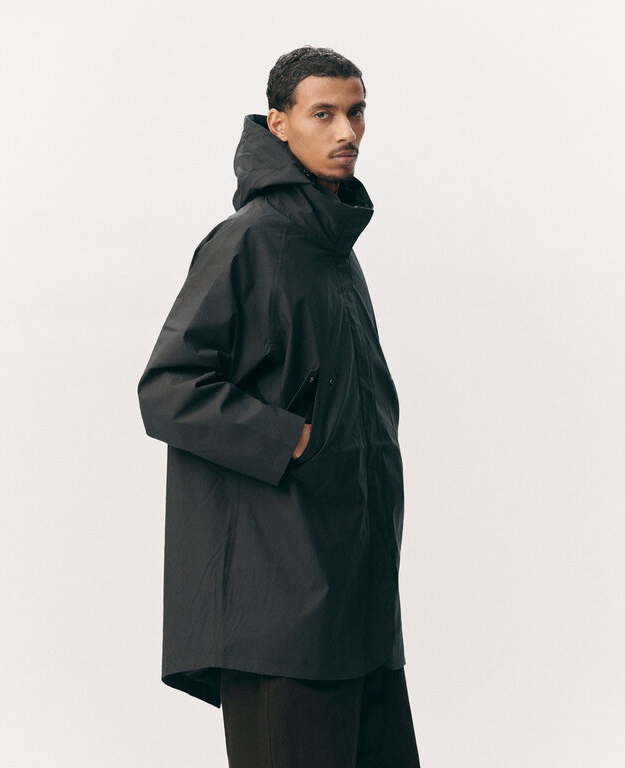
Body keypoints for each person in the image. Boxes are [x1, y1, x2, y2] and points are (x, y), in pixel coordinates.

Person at [138, 46, 421, 767]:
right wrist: (292, 440)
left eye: (356, 112)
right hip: (281, 609)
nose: (346, 132)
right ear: (279, 123)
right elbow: (167, 388)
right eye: (323, 114)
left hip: (356, 598)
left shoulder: (332, 247)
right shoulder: (250, 240)